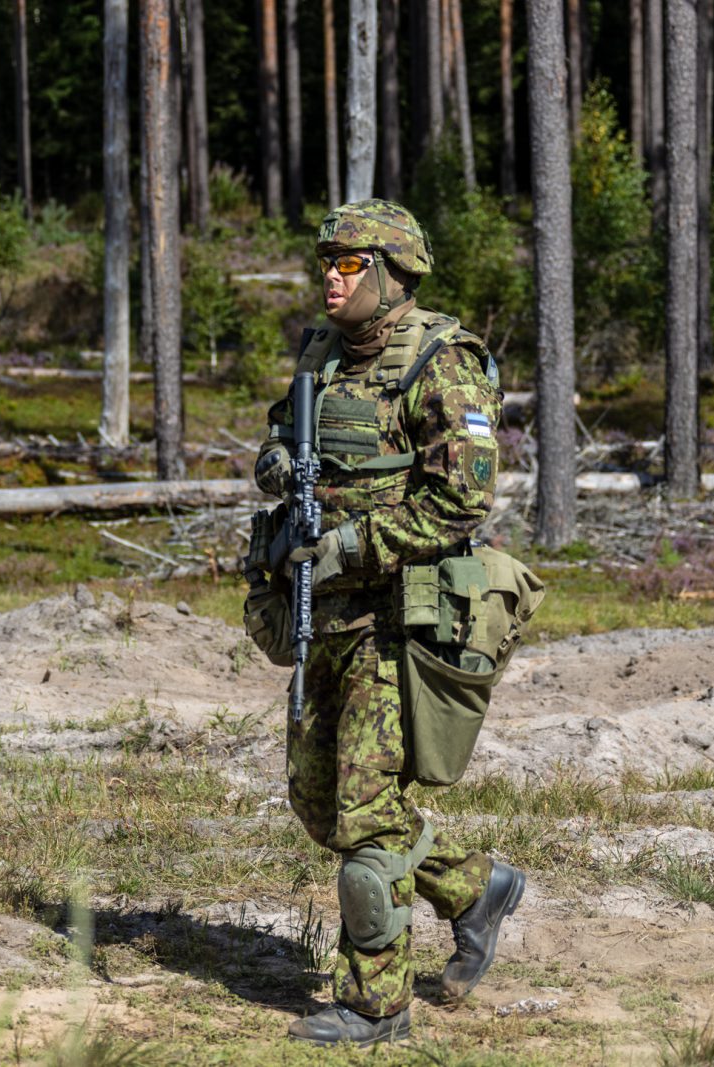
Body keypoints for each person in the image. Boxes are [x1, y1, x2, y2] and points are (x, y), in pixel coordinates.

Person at [252, 199, 525, 1048]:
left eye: (347, 265)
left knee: (367, 815)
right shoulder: (323, 353)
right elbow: (286, 435)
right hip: (322, 612)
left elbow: (462, 499)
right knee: (316, 796)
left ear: (392, 273)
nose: (330, 279)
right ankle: (476, 888)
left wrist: (351, 547)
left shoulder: (444, 361)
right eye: (325, 264)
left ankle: (378, 1003)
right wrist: (276, 462)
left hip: (396, 618)